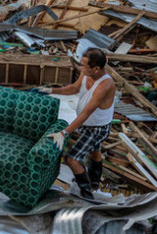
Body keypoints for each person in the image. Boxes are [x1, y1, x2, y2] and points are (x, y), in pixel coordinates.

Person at [36, 48, 116, 199]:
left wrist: (63, 133)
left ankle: (87, 197)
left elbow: (86, 113)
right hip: (89, 124)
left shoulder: (104, 85)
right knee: (94, 153)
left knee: (72, 159)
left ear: (96, 69)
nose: (81, 68)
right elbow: (74, 88)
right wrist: (50, 90)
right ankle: (94, 186)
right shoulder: (87, 73)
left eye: (84, 66)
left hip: (98, 128)